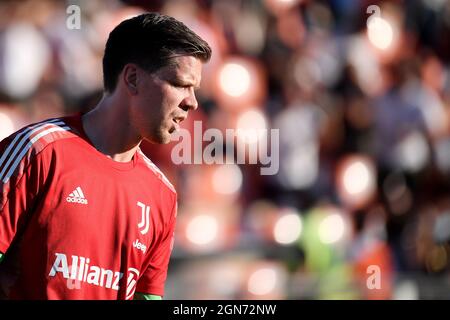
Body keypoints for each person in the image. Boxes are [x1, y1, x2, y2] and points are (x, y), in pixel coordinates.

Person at [0, 12, 211, 299]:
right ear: (133, 78)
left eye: (194, 89)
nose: (192, 102)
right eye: (179, 84)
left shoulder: (162, 196)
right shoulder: (38, 151)